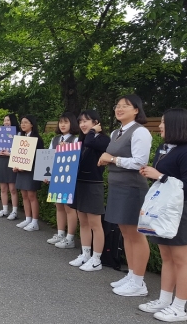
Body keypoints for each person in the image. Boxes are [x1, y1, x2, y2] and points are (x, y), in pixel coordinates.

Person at [98, 94, 152, 296]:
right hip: (117, 186)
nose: (119, 109)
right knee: (125, 233)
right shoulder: (115, 132)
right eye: (117, 106)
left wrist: (112, 159)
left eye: (125, 106)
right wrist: (108, 160)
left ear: (136, 110)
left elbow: (139, 162)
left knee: (136, 235)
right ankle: (132, 274)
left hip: (132, 188)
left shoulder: (141, 132)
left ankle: (139, 282)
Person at [139, 108, 187, 321]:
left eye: (164, 123)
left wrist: (160, 176)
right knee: (166, 256)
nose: (159, 126)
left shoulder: (185, 151)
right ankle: (165, 299)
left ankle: (180, 306)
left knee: (181, 259)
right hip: (163, 209)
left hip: (181, 210)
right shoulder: (164, 148)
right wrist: (154, 175)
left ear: (177, 125)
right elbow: (164, 179)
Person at [68, 110, 110, 271]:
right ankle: (85, 254)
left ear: (96, 122)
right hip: (80, 184)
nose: (82, 124)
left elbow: (91, 143)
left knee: (95, 223)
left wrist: (93, 132)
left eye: (87, 121)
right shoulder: (83, 140)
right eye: (80, 122)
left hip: (93, 184)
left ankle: (96, 258)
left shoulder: (102, 139)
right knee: (83, 221)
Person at [46, 112, 80, 248]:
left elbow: (76, 160)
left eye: (66, 122)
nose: (63, 125)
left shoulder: (76, 140)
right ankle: (60, 233)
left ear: (72, 124)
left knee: (69, 208)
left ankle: (70, 238)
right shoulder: (55, 140)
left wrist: (65, 148)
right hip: (55, 177)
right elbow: (48, 157)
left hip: (68, 178)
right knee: (58, 206)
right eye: (61, 122)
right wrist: (47, 175)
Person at [14, 114, 44, 232]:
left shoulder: (37, 138)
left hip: (31, 171)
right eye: (22, 122)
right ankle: (28, 218)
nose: (23, 124)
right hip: (21, 171)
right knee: (24, 195)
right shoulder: (20, 137)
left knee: (32, 196)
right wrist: (15, 165)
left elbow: (39, 157)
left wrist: (26, 167)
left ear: (32, 124)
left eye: (26, 122)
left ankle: (35, 222)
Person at [0, 113, 20, 220]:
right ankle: (5, 209)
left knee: (12, 188)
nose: (6, 123)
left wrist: (9, 154)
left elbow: (21, 151)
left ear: (13, 121)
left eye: (8, 120)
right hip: (2, 160)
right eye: (5, 120)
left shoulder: (18, 134)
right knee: (3, 187)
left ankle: (14, 211)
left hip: (12, 161)